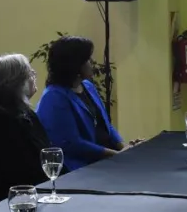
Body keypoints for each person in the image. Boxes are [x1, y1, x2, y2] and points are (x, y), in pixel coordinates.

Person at [35, 35, 130, 172]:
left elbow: (105, 125)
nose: (91, 63)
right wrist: (116, 155)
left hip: (106, 160)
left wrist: (124, 147)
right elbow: (72, 143)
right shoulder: (54, 97)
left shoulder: (87, 86)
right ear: (74, 65)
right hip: (82, 168)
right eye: (87, 60)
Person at [0, 54, 52, 196]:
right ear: (17, 83)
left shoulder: (24, 114)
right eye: (30, 73)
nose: (34, 77)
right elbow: (26, 172)